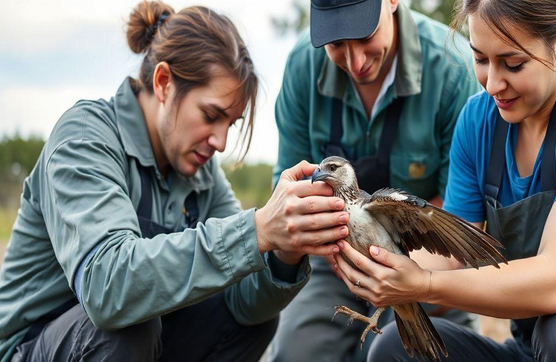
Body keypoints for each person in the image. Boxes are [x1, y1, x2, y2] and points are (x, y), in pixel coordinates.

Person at [332, 0, 556, 361]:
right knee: (394, 348)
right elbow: (452, 258)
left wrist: (424, 285)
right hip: (532, 350)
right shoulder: (476, 121)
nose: (493, 84)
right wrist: (370, 255)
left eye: (513, 63)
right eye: (481, 60)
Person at [0, 2, 349, 361]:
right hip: (32, 346)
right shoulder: (85, 137)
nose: (221, 143)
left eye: (229, 124)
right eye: (211, 115)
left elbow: (246, 303)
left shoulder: (200, 172)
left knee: (250, 323)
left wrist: (283, 250)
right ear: (164, 82)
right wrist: (256, 229)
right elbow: (108, 288)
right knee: (131, 326)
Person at [269, 0, 482, 360]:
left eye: (363, 34)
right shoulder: (302, 66)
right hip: (330, 256)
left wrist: (409, 280)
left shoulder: (453, 64)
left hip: (421, 255)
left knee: (412, 352)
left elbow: (460, 211)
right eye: (336, 45)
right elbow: (286, 201)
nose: (355, 63)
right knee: (296, 351)